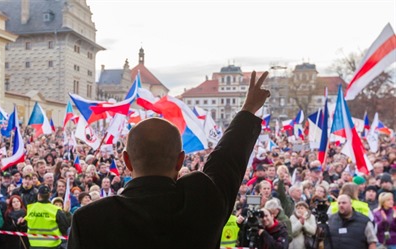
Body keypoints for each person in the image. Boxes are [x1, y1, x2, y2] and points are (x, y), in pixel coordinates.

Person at [69, 71, 270, 248]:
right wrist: (248, 108)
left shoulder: (89, 219)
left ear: (127, 161)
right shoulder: (203, 204)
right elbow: (227, 159)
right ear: (180, 161)